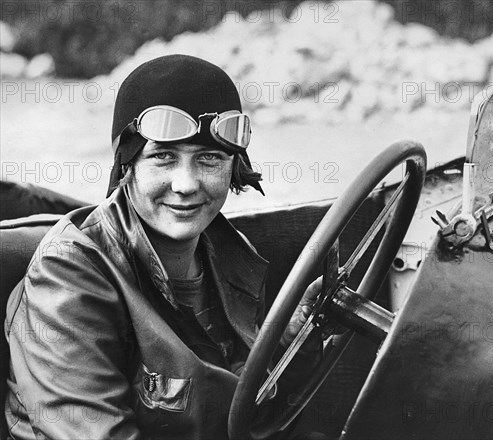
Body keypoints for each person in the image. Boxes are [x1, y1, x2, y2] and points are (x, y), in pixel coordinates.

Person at [4, 54, 322, 439]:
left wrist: (289, 341)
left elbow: (243, 413)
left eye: (209, 159)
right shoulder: (68, 274)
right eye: (162, 158)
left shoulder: (227, 251)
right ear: (127, 165)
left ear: (232, 167)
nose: (186, 184)